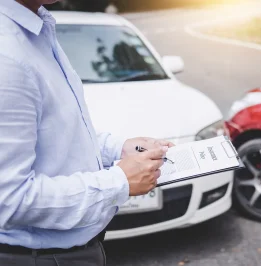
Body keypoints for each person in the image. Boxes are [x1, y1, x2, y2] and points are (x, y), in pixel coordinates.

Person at [0, 0, 173, 265]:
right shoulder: (8, 55)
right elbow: (8, 200)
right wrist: (119, 182)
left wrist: (119, 147)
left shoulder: (38, 27)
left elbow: (57, 133)